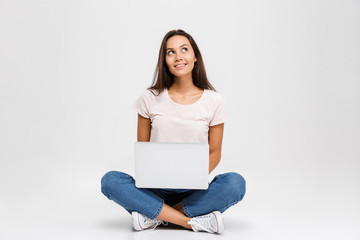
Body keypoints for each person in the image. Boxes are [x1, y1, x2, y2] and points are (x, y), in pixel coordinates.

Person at [101, 29, 246, 234]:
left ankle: (153, 217)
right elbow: (143, 150)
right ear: (165, 60)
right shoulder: (149, 97)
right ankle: (191, 221)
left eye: (184, 49)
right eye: (170, 52)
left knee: (235, 183)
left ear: (195, 56)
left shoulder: (214, 101)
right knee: (110, 181)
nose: (178, 56)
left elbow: (215, 153)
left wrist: (190, 175)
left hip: (194, 190)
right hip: (155, 189)